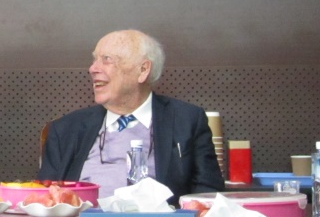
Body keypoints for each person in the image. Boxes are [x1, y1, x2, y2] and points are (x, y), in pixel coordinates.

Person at [38, 30, 223, 204]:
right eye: (95, 60)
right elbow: (46, 199)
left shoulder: (187, 120)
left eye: (107, 59)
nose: (93, 68)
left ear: (143, 70)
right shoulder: (65, 129)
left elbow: (208, 196)